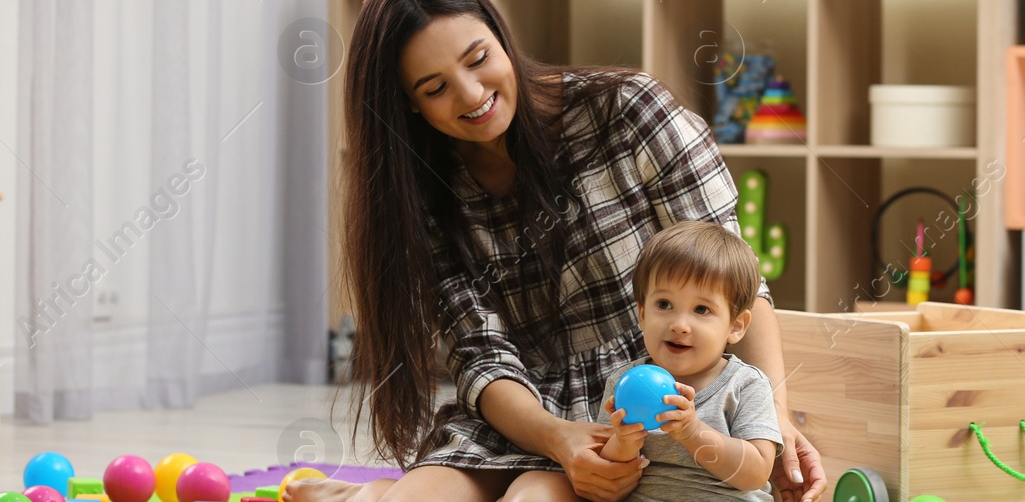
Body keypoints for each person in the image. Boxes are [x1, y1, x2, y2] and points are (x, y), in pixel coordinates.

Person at [287, 0, 825, 500]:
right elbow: (482, 357)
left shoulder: (630, 111)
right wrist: (558, 438)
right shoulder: (421, 193)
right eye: (435, 89)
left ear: (503, 38)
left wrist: (774, 418)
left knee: (533, 497)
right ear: (409, 104)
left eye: (478, 59)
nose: (472, 95)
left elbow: (737, 277)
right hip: (521, 412)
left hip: (643, 412)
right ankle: (373, 493)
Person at [590, 221, 784, 501]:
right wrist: (622, 443)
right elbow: (604, 479)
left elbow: (756, 473)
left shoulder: (747, 385)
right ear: (642, 314)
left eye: (701, 309)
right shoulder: (625, 383)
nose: (680, 325)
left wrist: (693, 431)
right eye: (664, 305)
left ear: (736, 326)